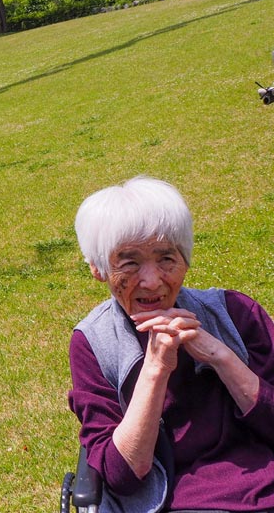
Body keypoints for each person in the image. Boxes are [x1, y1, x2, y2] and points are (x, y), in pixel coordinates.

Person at [68, 176, 274, 513]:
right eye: (129, 263)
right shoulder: (93, 343)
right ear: (98, 269)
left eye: (166, 258)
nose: (152, 281)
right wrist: (155, 368)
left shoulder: (236, 313)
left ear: (186, 259)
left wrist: (221, 357)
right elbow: (122, 476)